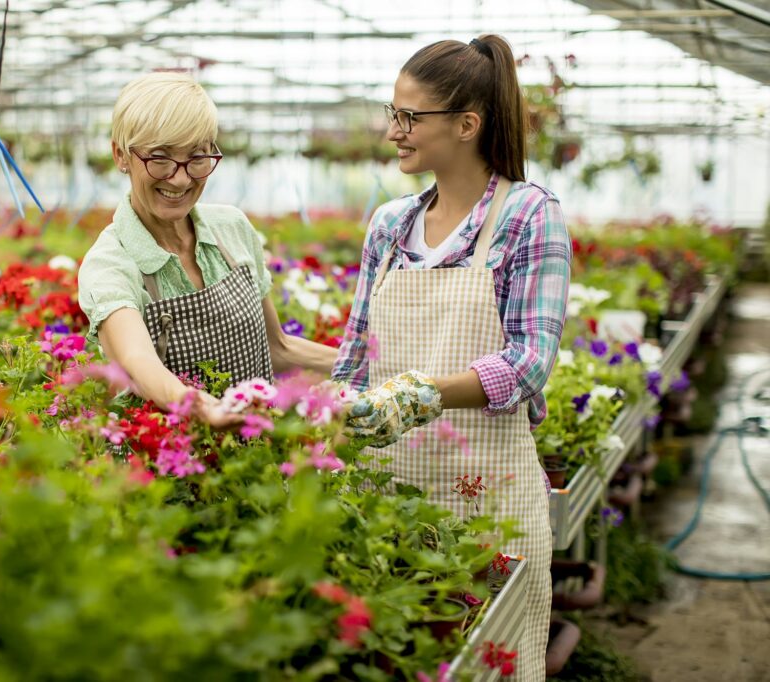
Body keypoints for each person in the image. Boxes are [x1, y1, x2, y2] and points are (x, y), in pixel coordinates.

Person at [335, 35, 571, 681]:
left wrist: (421, 394)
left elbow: (530, 362)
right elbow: (357, 355)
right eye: (393, 113)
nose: (393, 131)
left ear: (466, 125)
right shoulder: (389, 225)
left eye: (410, 117)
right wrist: (324, 414)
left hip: (487, 497)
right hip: (385, 495)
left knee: (491, 657)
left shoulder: (528, 216)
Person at [77, 72, 338, 427]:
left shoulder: (232, 229)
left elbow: (277, 348)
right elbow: (138, 360)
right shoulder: (109, 263)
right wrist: (200, 406)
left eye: (197, 157)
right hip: (171, 469)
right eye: (160, 158)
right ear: (120, 155)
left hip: (257, 461)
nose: (181, 178)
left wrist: (368, 365)